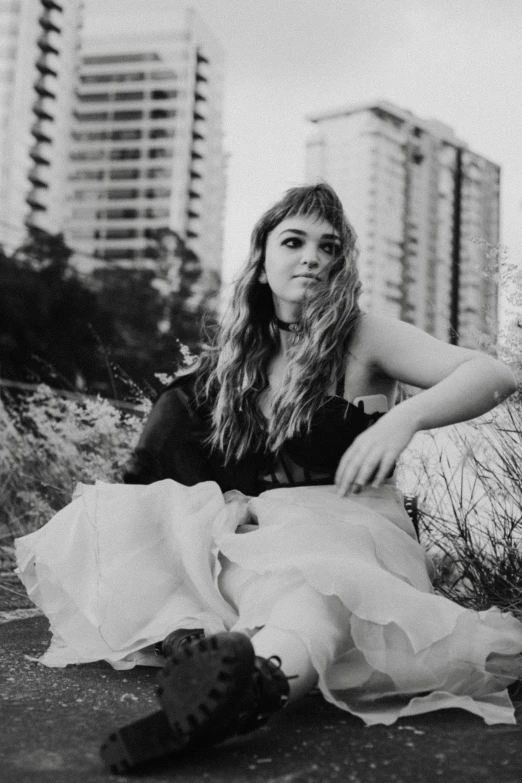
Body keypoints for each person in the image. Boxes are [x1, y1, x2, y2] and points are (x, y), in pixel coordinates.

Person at [15, 184, 522, 775]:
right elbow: (170, 457)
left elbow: (493, 374)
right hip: (261, 530)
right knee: (113, 521)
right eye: (294, 241)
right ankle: (198, 656)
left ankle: (252, 688)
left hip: (349, 529)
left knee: (317, 596)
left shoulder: (363, 337)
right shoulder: (236, 360)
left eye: (329, 246)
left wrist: (405, 418)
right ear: (261, 261)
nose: (313, 257)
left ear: (343, 264)